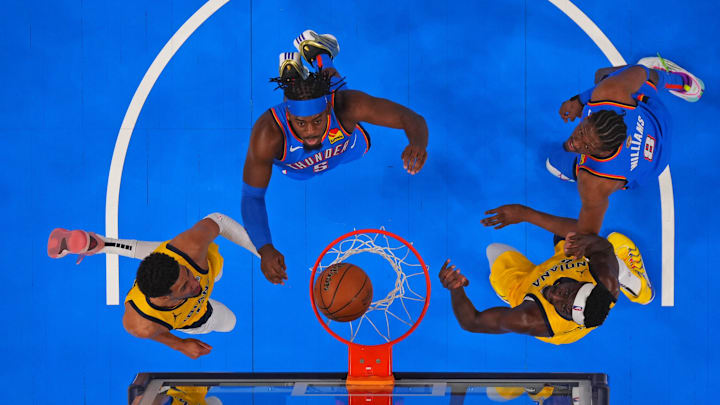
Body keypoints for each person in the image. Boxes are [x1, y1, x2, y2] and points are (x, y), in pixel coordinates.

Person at [242, 30, 429, 285]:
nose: (309, 132)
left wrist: (417, 143)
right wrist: (264, 248)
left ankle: (321, 59)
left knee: (337, 90)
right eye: (300, 123)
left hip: (348, 150)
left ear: (327, 109)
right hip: (298, 170)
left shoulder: (344, 105)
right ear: (287, 116)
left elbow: (412, 119)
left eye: (317, 121)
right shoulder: (268, 133)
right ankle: (307, 66)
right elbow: (252, 196)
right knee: (307, 97)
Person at [485, 56, 704, 236]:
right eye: (581, 131)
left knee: (555, 163)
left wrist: (525, 214)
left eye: (587, 146)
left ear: (605, 151)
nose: (575, 142)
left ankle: (678, 80)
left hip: (650, 165)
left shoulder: (595, 183)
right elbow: (643, 72)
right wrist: (579, 100)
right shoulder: (610, 93)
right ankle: (682, 83)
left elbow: (585, 233)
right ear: (590, 115)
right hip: (658, 123)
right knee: (606, 75)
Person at [47, 213, 258, 359]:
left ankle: (99, 243)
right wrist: (180, 345)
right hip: (196, 316)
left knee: (207, 268)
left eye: (188, 275)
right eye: (185, 287)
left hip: (199, 262)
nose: (195, 284)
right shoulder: (141, 323)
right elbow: (155, 333)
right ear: (166, 297)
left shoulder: (191, 250)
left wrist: (263, 252)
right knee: (230, 322)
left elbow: (218, 219)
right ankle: (98, 244)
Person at [439, 231, 653, 344]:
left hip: (526, 291)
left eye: (564, 308)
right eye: (567, 293)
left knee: (494, 250)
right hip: (571, 267)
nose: (555, 297)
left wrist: (456, 288)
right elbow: (602, 247)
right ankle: (636, 284)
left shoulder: (529, 318)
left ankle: (638, 286)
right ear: (582, 283)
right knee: (591, 243)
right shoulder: (604, 280)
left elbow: (471, 322)